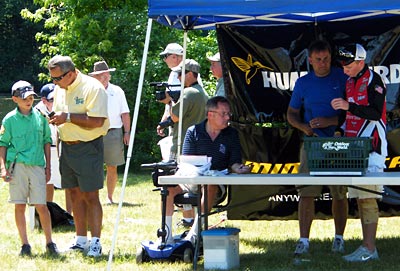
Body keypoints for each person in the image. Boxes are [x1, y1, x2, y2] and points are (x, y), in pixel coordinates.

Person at [287, 40, 349, 258]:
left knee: (339, 193)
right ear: (310, 60)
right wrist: (304, 127)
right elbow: (291, 114)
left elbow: (353, 111)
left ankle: (339, 239)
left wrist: (330, 120)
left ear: (331, 58)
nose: (323, 64)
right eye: (318, 60)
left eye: (326, 59)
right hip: (311, 145)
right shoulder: (303, 83)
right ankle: (303, 241)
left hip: (340, 143)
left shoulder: (342, 78)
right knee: (306, 192)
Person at [164, 96, 250, 244]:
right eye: (224, 114)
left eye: (228, 114)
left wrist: (239, 168)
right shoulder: (193, 131)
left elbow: (234, 162)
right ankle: (166, 235)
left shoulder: (232, 134)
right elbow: (186, 161)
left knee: (210, 185)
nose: (227, 117)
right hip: (192, 179)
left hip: (216, 182)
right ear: (210, 114)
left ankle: (195, 233)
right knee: (167, 189)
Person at [47, 55, 109, 257]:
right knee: (73, 194)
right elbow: (60, 113)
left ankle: (96, 242)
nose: (54, 83)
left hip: (89, 147)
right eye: (53, 79)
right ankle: (80, 239)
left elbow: (98, 121)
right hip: (67, 147)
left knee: (91, 195)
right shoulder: (59, 88)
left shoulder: (93, 88)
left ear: (71, 73)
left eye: (57, 78)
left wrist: (68, 118)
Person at [331, 43, 387, 262]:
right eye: (342, 65)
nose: (344, 69)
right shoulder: (349, 81)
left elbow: (375, 112)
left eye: (348, 65)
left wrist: (348, 107)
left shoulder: (375, 80)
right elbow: (346, 113)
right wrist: (338, 130)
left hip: (372, 146)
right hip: (353, 146)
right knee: (360, 197)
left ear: (361, 62)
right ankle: (367, 246)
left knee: (368, 197)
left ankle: (370, 248)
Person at [0, 80, 59, 256]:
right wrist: (3, 168)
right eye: (25, 98)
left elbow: (47, 142)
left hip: (37, 166)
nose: (29, 101)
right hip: (17, 167)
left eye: (32, 97)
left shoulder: (41, 117)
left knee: (41, 205)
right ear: (15, 99)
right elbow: (2, 144)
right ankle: (25, 244)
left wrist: (48, 167)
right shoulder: (9, 120)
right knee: (19, 205)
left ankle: (50, 242)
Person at [89, 60, 131, 204]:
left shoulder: (117, 91)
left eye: (106, 73)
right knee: (93, 166)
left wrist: (127, 132)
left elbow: (125, 113)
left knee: (112, 166)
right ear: (95, 76)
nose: (105, 76)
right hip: (94, 132)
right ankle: (94, 197)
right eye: (101, 74)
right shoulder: (90, 91)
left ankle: (109, 197)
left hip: (113, 132)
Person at [157, 43, 184, 138]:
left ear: (174, 57)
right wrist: (164, 121)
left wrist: (167, 121)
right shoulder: (174, 73)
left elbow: (177, 102)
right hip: (174, 120)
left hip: (182, 123)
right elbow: (170, 103)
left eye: (165, 56)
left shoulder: (183, 72)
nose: (164, 59)